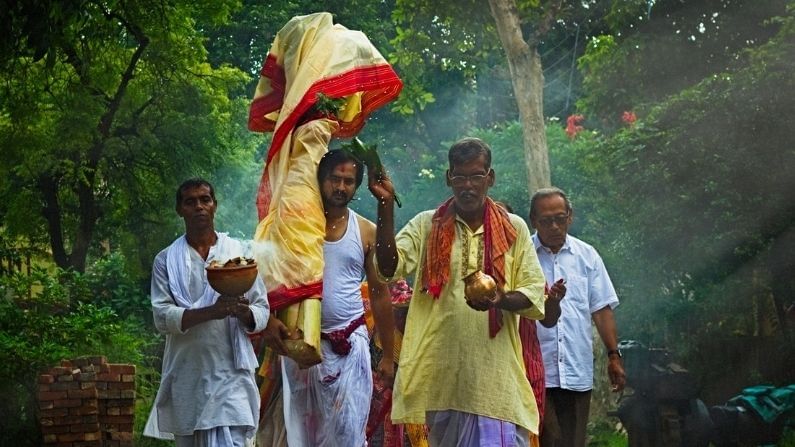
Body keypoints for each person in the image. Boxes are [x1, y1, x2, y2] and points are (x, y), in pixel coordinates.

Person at [368, 137, 547, 446]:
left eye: (476, 176)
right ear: (448, 178)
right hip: (442, 377)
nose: (468, 185)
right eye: (460, 176)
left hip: (495, 378)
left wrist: (500, 298)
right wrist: (385, 205)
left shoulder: (513, 227)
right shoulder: (427, 224)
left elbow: (533, 294)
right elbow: (387, 268)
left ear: (489, 178)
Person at [260, 149, 395, 447]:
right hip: (302, 345)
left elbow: (380, 291)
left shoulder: (365, 230)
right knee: (302, 437)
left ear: (357, 186)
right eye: (335, 179)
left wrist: (387, 354)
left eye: (349, 181)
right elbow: (269, 278)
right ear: (320, 179)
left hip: (350, 346)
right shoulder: (296, 227)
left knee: (348, 433)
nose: (341, 187)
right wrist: (268, 319)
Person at [144, 178, 271, 446]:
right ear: (180, 210)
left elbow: (261, 310)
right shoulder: (165, 260)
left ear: (215, 205)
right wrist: (211, 312)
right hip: (188, 374)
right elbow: (163, 317)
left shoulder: (240, 254)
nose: (199, 206)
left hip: (231, 375)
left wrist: (242, 312)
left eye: (205, 200)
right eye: (190, 202)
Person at [528, 187, 626, 447]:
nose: (554, 226)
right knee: (546, 439)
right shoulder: (523, 255)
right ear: (533, 221)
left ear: (570, 217)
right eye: (546, 220)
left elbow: (601, 309)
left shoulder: (587, 256)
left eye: (560, 218)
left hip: (575, 368)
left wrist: (614, 355)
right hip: (534, 369)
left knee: (573, 441)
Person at [495, 201, 567, 447]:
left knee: (535, 436)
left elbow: (547, 318)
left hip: (527, 366)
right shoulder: (471, 263)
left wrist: (554, 301)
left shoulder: (524, 264)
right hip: (488, 369)